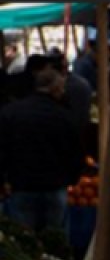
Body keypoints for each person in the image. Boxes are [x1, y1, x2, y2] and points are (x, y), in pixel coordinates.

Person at [0, 58, 84, 238]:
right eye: (61, 89)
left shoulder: (11, 113)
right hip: (55, 186)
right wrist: (72, 178)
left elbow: (2, 149)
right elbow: (76, 152)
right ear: (55, 89)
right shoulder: (65, 117)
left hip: (22, 186)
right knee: (56, 242)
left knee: (23, 241)